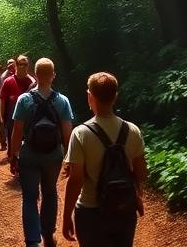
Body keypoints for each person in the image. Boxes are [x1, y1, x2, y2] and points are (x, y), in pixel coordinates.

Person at [61, 72, 146, 247]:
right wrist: (136, 194)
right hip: (124, 210)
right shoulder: (133, 131)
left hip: (91, 212)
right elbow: (141, 173)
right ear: (115, 97)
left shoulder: (81, 134)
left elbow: (75, 180)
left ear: (89, 96)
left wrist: (66, 216)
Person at [10, 57, 74, 247]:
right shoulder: (62, 101)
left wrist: (14, 156)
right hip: (53, 156)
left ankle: (32, 240)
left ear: (35, 75)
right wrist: (68, 158)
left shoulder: (24, 99)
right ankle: (48, 234)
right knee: (50, 192)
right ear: (53, 76)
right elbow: (67, 134)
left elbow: (17, 132)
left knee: (29, 196)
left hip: (29, 154)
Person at [1, 54, 35, 159]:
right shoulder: (8, 81)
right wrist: (2, 118)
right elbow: (2, 100)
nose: (23, 66)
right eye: (20, 64)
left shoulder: (32, 82)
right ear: (16, 65)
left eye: (25, 64)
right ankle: (13, 161)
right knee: (13, 142)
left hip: (28, 118)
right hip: (11, 118)